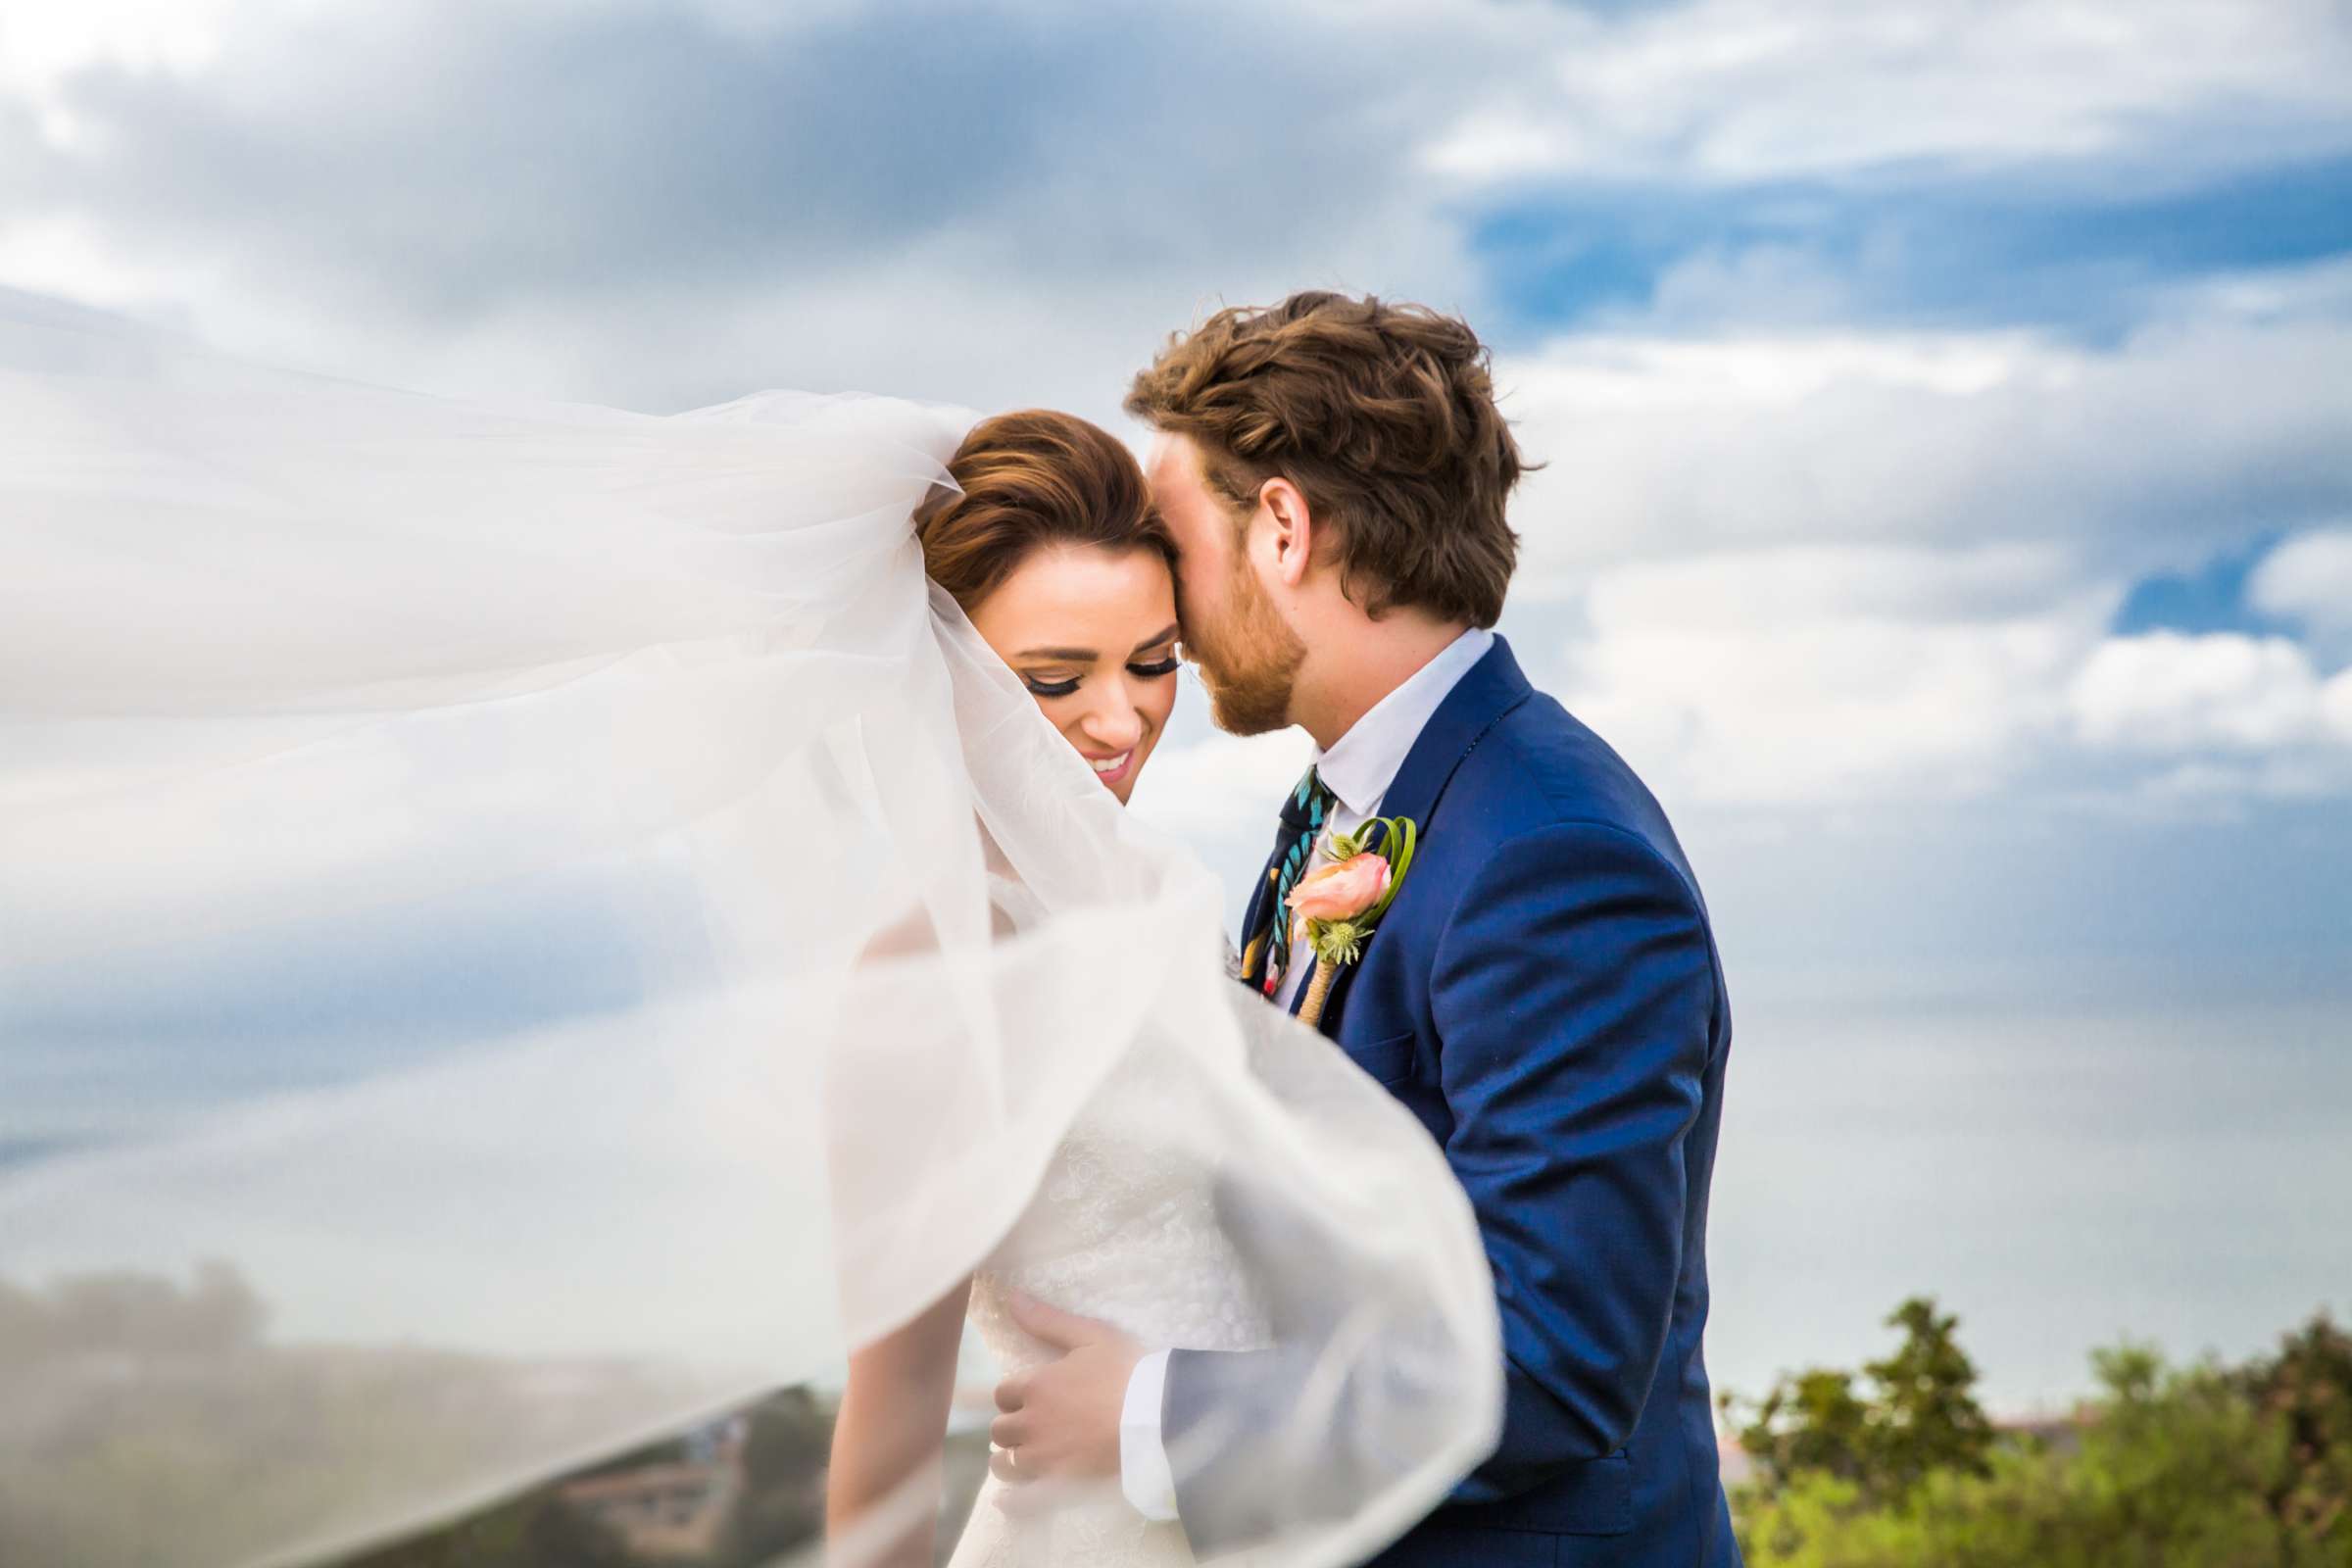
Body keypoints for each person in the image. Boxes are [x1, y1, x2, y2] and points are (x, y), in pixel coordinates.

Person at [0, 295, 1498, 1568]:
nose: (1119, 719)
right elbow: (893, 1417)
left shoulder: (1143, 899)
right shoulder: (927, 975)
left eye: (1153, 661)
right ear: (948, 670)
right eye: (1054, 678)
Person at [990, 293, 1741, 1567]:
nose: (1163, 596)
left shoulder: (1555, 858)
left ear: (1280, 527)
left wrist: (1146, 1415)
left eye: (1176, 541)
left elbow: (1551, 1363)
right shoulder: (1348, 807)